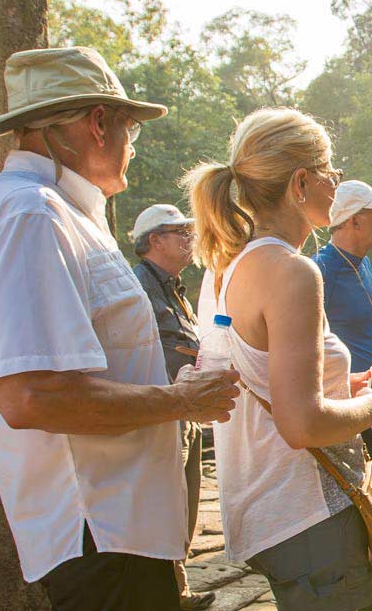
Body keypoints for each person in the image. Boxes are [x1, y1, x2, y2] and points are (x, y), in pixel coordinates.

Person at [0, 46, 240, 609]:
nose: (132, 147)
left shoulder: (21, 212)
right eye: (132, 131)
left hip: (103, 524)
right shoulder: (34, 217)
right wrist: (178, 401)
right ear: (100, 123)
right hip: (103, 529)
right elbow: (30, 398)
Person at [183, 107, 372, 611]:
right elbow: (301, 424)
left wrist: (338, 384)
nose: (337, 182)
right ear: (300, 182)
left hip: (264, 509)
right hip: (307, 513)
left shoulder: (225, 267)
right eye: (331, 171)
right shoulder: (291, 270)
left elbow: (258, 372)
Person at [128, 202, 217, 611]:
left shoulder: (175, 288)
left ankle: (177, 586)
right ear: (153, 241)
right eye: (179, 232)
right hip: (162, 408)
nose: (189, 239)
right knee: (167, 499)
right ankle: (170, 590)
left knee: (187, 497)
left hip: (186, 408)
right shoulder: (136, 288)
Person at [313, 180, 372, 528]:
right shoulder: (319, 270)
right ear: (354, 221)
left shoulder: (363, 264)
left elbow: (371, 330)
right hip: (348, 408)